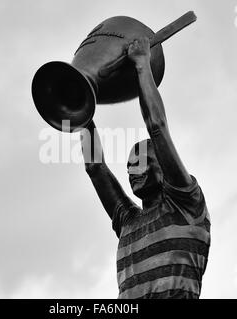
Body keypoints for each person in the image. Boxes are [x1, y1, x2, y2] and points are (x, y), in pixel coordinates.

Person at [80, 38, 211, 299]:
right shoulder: (128, 222)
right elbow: (95, 167)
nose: (132, 169)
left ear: (163, 165)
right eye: (130, 164)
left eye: (141, 161)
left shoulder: (186, 203)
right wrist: (82, 110)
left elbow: (157, 127)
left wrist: (142, 64)